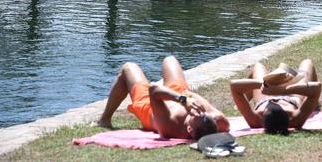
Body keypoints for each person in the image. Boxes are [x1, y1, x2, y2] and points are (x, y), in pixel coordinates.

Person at [97, 56, 229, 139]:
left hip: (150, 105)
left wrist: (184, 100)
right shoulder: (216, 123)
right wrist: (187, 98)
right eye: (204, 113)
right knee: (170, 60)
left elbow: (154, 90)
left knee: (128, 68)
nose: (200, 111)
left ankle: (105, 119)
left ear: (189, 128)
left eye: (196, 114)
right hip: (181, 95)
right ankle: (178, 95)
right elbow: (221, 122)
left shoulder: (170, 125)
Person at [230, 60, 322, 135]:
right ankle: (315, 103)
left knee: (258, 66)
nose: (275, 101)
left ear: (262, 118)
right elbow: (317, 87)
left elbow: (234, 85)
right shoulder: (295, 120)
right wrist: (282, 90)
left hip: (264, 99)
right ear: (288, 116)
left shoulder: (255, 120)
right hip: (291, 100)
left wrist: (265, 85)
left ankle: (242, 100)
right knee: (307, 62)